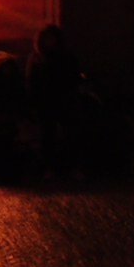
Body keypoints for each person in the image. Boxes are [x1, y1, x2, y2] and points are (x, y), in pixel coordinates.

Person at [27, 24, 83, 178]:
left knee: (68, 135)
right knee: (48, 137)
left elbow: (74, 76)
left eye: (52, 38)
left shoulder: (63, 56)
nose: (50, 41)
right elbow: (32, 81)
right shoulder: (38, 58)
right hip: (47, 102)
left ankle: (66, 167)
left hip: (63, 100)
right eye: (47, 38)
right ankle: (52, 167)